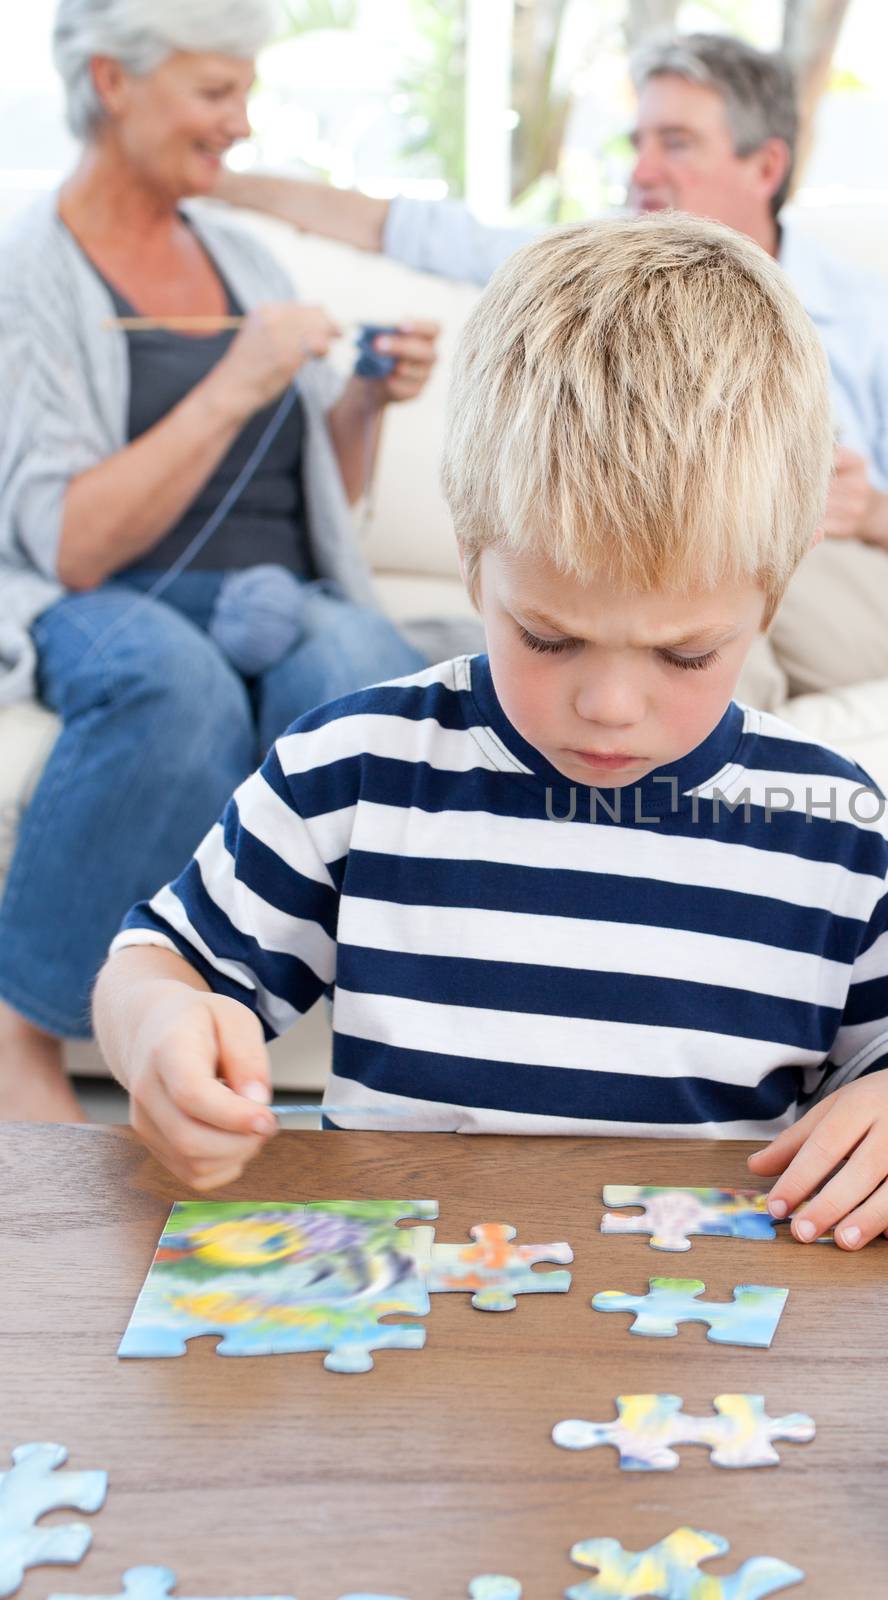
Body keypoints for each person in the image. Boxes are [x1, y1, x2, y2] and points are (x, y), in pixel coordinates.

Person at [91, 211, 888, 1251]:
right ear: (475, 564)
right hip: (398, 1344)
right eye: (550, 638)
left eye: (682, 654)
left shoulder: (842, 831)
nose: (608, 705)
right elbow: (160, 961)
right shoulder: (352, 777)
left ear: (770, 600)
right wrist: (157, 1031)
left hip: (706, 1364)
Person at [216, 31, 888, 710]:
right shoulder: (596, 268)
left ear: (766, 167)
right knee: (559, 625)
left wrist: (871, 509)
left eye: (676, 143)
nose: (642, 170)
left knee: (704, 611)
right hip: (663, 553)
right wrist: (214, 179)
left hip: (845, 574)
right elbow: (421, 232)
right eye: (636, 142)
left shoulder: (881, 318)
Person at [0, 0, 442, 1123]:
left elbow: (322, 503)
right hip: (103, 597)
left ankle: (418, 1054)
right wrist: (237, 378)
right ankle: (20, 1038)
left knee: (354, 674)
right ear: (111, 80)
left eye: (246, 91)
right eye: (214, 91)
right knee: (174, 683)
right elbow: (67, 540)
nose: (239, 124)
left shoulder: (240, 255)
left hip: (278, 593)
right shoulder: (30, 278)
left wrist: (363, 401)